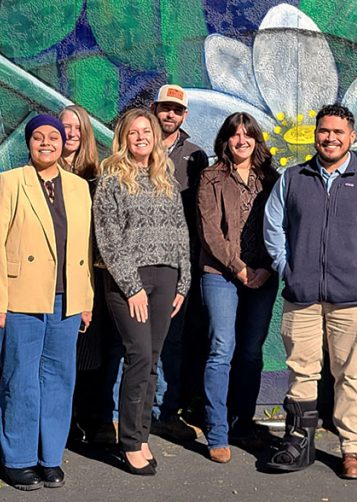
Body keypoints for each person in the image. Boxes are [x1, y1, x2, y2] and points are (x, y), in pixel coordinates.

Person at [263, 104, 357, 479]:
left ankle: (351, 448)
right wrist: (286, 268)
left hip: (353, 299)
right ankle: (299, 442)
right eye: (324, 131)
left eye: (338, 132)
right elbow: (274, 226)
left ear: (351, 137)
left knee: (349, 375)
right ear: (315, 135)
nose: (330, 138)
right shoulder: (293, 178)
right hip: (302, 297)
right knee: (301, 372)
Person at [0, 114, 94, 490]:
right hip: (20, 297)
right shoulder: (10, 181)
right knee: (20, 377)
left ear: (63, 144)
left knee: (60, 378)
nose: (46, 143)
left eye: (54, 137)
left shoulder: (78, 187)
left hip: (67, 299)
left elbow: (84, 248)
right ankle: (19, 459)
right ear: (28, 143)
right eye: (38, 137)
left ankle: (50, 457)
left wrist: (86, 299)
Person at [94, 108, 189, 475]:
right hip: (127, 281)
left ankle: (142, 434)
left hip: (166, 277)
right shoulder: (112, 180)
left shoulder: (165, 178)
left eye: (146, 131)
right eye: (133, 132)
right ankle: (130, 442)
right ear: (124, 138)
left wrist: (183, 282)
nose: (140, 137)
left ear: (154, 136)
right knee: (137, 355)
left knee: (151, 358)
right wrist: (131, 287)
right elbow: (108, 239)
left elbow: (180, 231)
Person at [197, 112, 279, 463]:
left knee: (251, 352)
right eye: (235, 135)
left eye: (248, 135)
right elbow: (210, 231)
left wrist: (266, 267)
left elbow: (282, 226)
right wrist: (239, 267)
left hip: (263, 274)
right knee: (221, 348)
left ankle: (242, 423)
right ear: (226, 140)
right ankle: (217, 431)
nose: (241, 141)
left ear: (256, 140)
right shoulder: (211, 177)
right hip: (220, 274)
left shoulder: (271, 178)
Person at [149, 84, 209, 437]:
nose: (170, 115)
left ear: (185, 115)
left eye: (177, 110)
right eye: (165, 108)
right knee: (131, 340)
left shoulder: (195, 156)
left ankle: (165, 413)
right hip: (140, 257)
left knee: (171, 340)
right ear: (154, 109)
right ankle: (122, 415)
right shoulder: (137, 145)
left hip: (177, 260)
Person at [59, 105, 111, 444]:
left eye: (78, 127)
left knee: (90, 347)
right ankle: (62, 421)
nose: (71, 133)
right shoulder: (41, 172)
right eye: (66, 126)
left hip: (91, 272)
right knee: (61, 350)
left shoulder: (97, 176)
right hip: (55, 272)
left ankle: (90, 418)